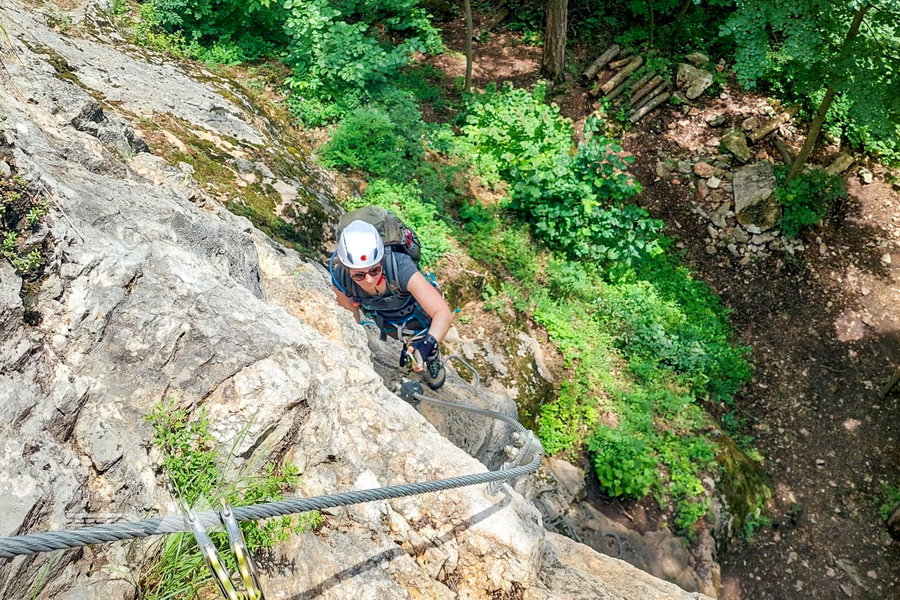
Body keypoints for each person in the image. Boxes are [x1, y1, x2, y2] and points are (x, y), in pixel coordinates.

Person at [331, 220, 451, 389]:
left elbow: (442, 313)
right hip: (386, 319)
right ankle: (411, 346)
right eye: (359, 275)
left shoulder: (399, 266)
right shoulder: (341, 279)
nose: (369, 279)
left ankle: (432, 356)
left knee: (424, 339)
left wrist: (427, 345)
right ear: (346, 268)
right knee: (403, 335)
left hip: (417, 314)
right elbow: (352, 322)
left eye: (374, 270)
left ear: (381, 260)